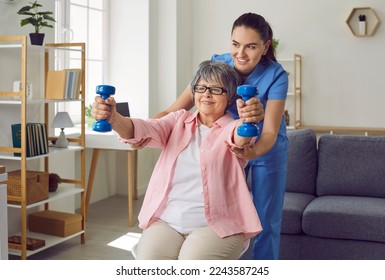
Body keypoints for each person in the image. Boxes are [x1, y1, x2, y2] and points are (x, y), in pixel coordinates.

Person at [149, 13, 289, 260]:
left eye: (251, 46)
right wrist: (146, 129)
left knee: (266, 220)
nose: (241, 54)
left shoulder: (276, 75)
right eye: (235, 44)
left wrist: (251, 151)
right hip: (227, 146)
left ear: (266, 47)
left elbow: (269, 133)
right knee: (231, 217)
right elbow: (175, 110)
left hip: (267, 150)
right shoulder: (217, 66)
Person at [92, 60, 262, 260]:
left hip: (216, 225)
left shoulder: (230, 128)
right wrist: (114, 119)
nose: (206, 94)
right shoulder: (177, 120)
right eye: (201, 87)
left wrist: (248, 120)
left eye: (216, 89)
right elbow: (146, 128)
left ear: (230, 97)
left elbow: (241, 138)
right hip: (167, 221)